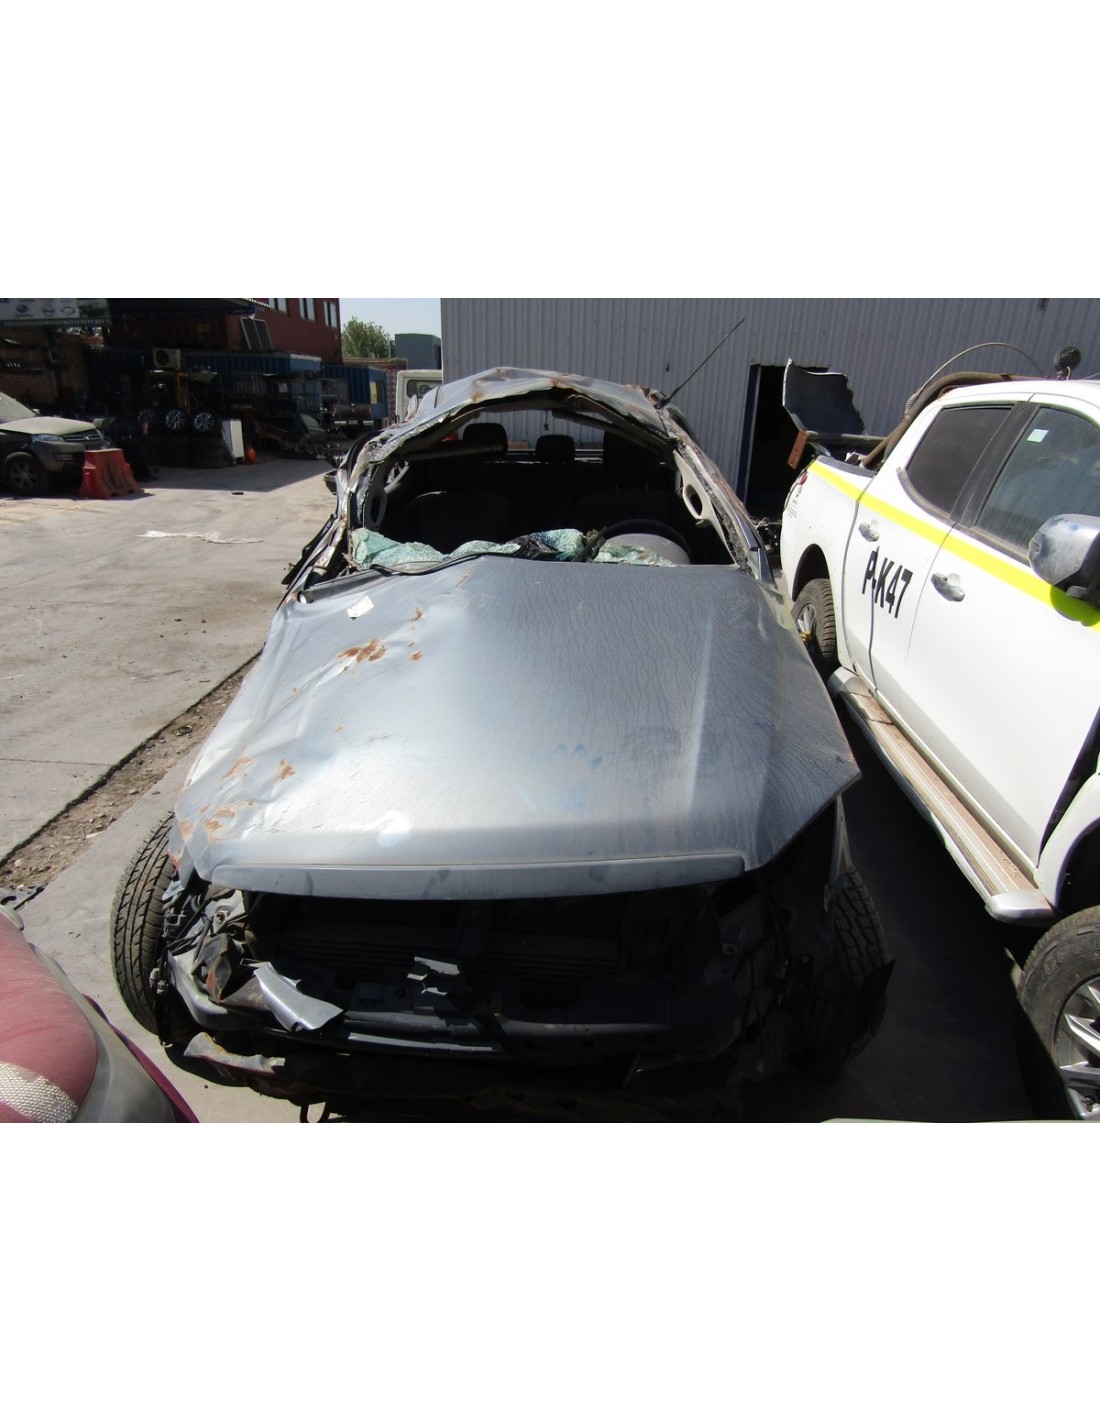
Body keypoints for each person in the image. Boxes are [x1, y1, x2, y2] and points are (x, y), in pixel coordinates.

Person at [105, 408, 157, 482]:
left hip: (130, 443)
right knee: (136, 446)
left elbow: (141, 436)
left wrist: (145, 429)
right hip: (123, 444)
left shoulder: (132, 422)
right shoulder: (118, 423)